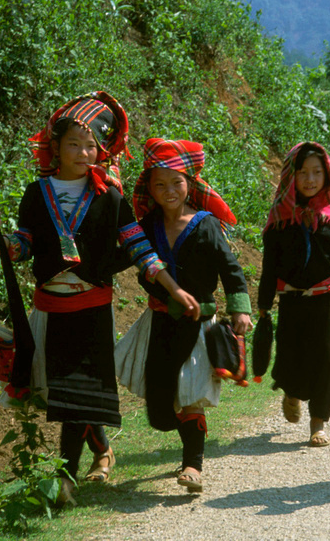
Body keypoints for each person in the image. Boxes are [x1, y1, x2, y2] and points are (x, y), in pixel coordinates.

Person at [0, 92, 200, 506]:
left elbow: (141, 250)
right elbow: (24, 245)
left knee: (74, 395)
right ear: (55, 147)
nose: (83, 153)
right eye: (73, 144)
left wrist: (173, 288)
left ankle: (65, 479)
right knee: (69, 395)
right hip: (53, 308)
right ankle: (102, 449)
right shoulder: (37, 193)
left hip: (93, 309)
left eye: (90, 146)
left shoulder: (109, 197)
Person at [118, 137, 252, 493]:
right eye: (159, 184)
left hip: (199, 325)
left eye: (176, 182)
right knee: (160, 411)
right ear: (149, 187)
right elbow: (131, 262)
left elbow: (231, 269)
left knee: (191, 394)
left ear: (190, 184)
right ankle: (177, 428)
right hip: (159, 321)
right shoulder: (146, 226)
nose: (168, 190)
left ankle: (193, 464)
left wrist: (240, 309)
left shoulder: (206, 225)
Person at [258, 142, 330, 447]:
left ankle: (318, 422)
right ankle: (292, 392)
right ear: (290, 177)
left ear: (327, 175)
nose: (310, 179)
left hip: (323, 303)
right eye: (303, 172)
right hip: (292, 304)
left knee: (327, 362)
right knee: (290, 359)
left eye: (317, 172)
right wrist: (264, 305)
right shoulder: (279, 221)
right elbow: (269, 268)